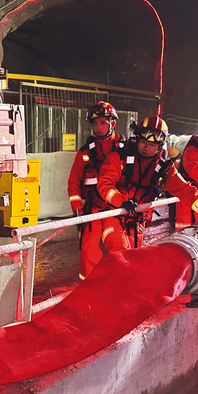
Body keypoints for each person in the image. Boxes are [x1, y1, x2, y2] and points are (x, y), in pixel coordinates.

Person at [96, 115, 198, 254]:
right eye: (143, 142)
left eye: (152, 145)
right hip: (114, 214)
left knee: (132, 256)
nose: (146, 148)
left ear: (160, 146)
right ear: (137, 139)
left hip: (137, 221)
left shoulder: (162, 167)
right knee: (119, 251)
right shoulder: (118, 157)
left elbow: (184, 189)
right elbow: (105, 184)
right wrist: (121, 202)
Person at [67, 101, 126, 279]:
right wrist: (77, 208)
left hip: (117, 208)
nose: (98, 127)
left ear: (112, 123)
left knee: (120, 246)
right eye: (95, 123)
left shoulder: (126, 150)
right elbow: (73, 182)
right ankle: (89, 286)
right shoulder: (84, 152)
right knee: (89, 248)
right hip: (92, 208)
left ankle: (120, 282)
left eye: (102, 122)